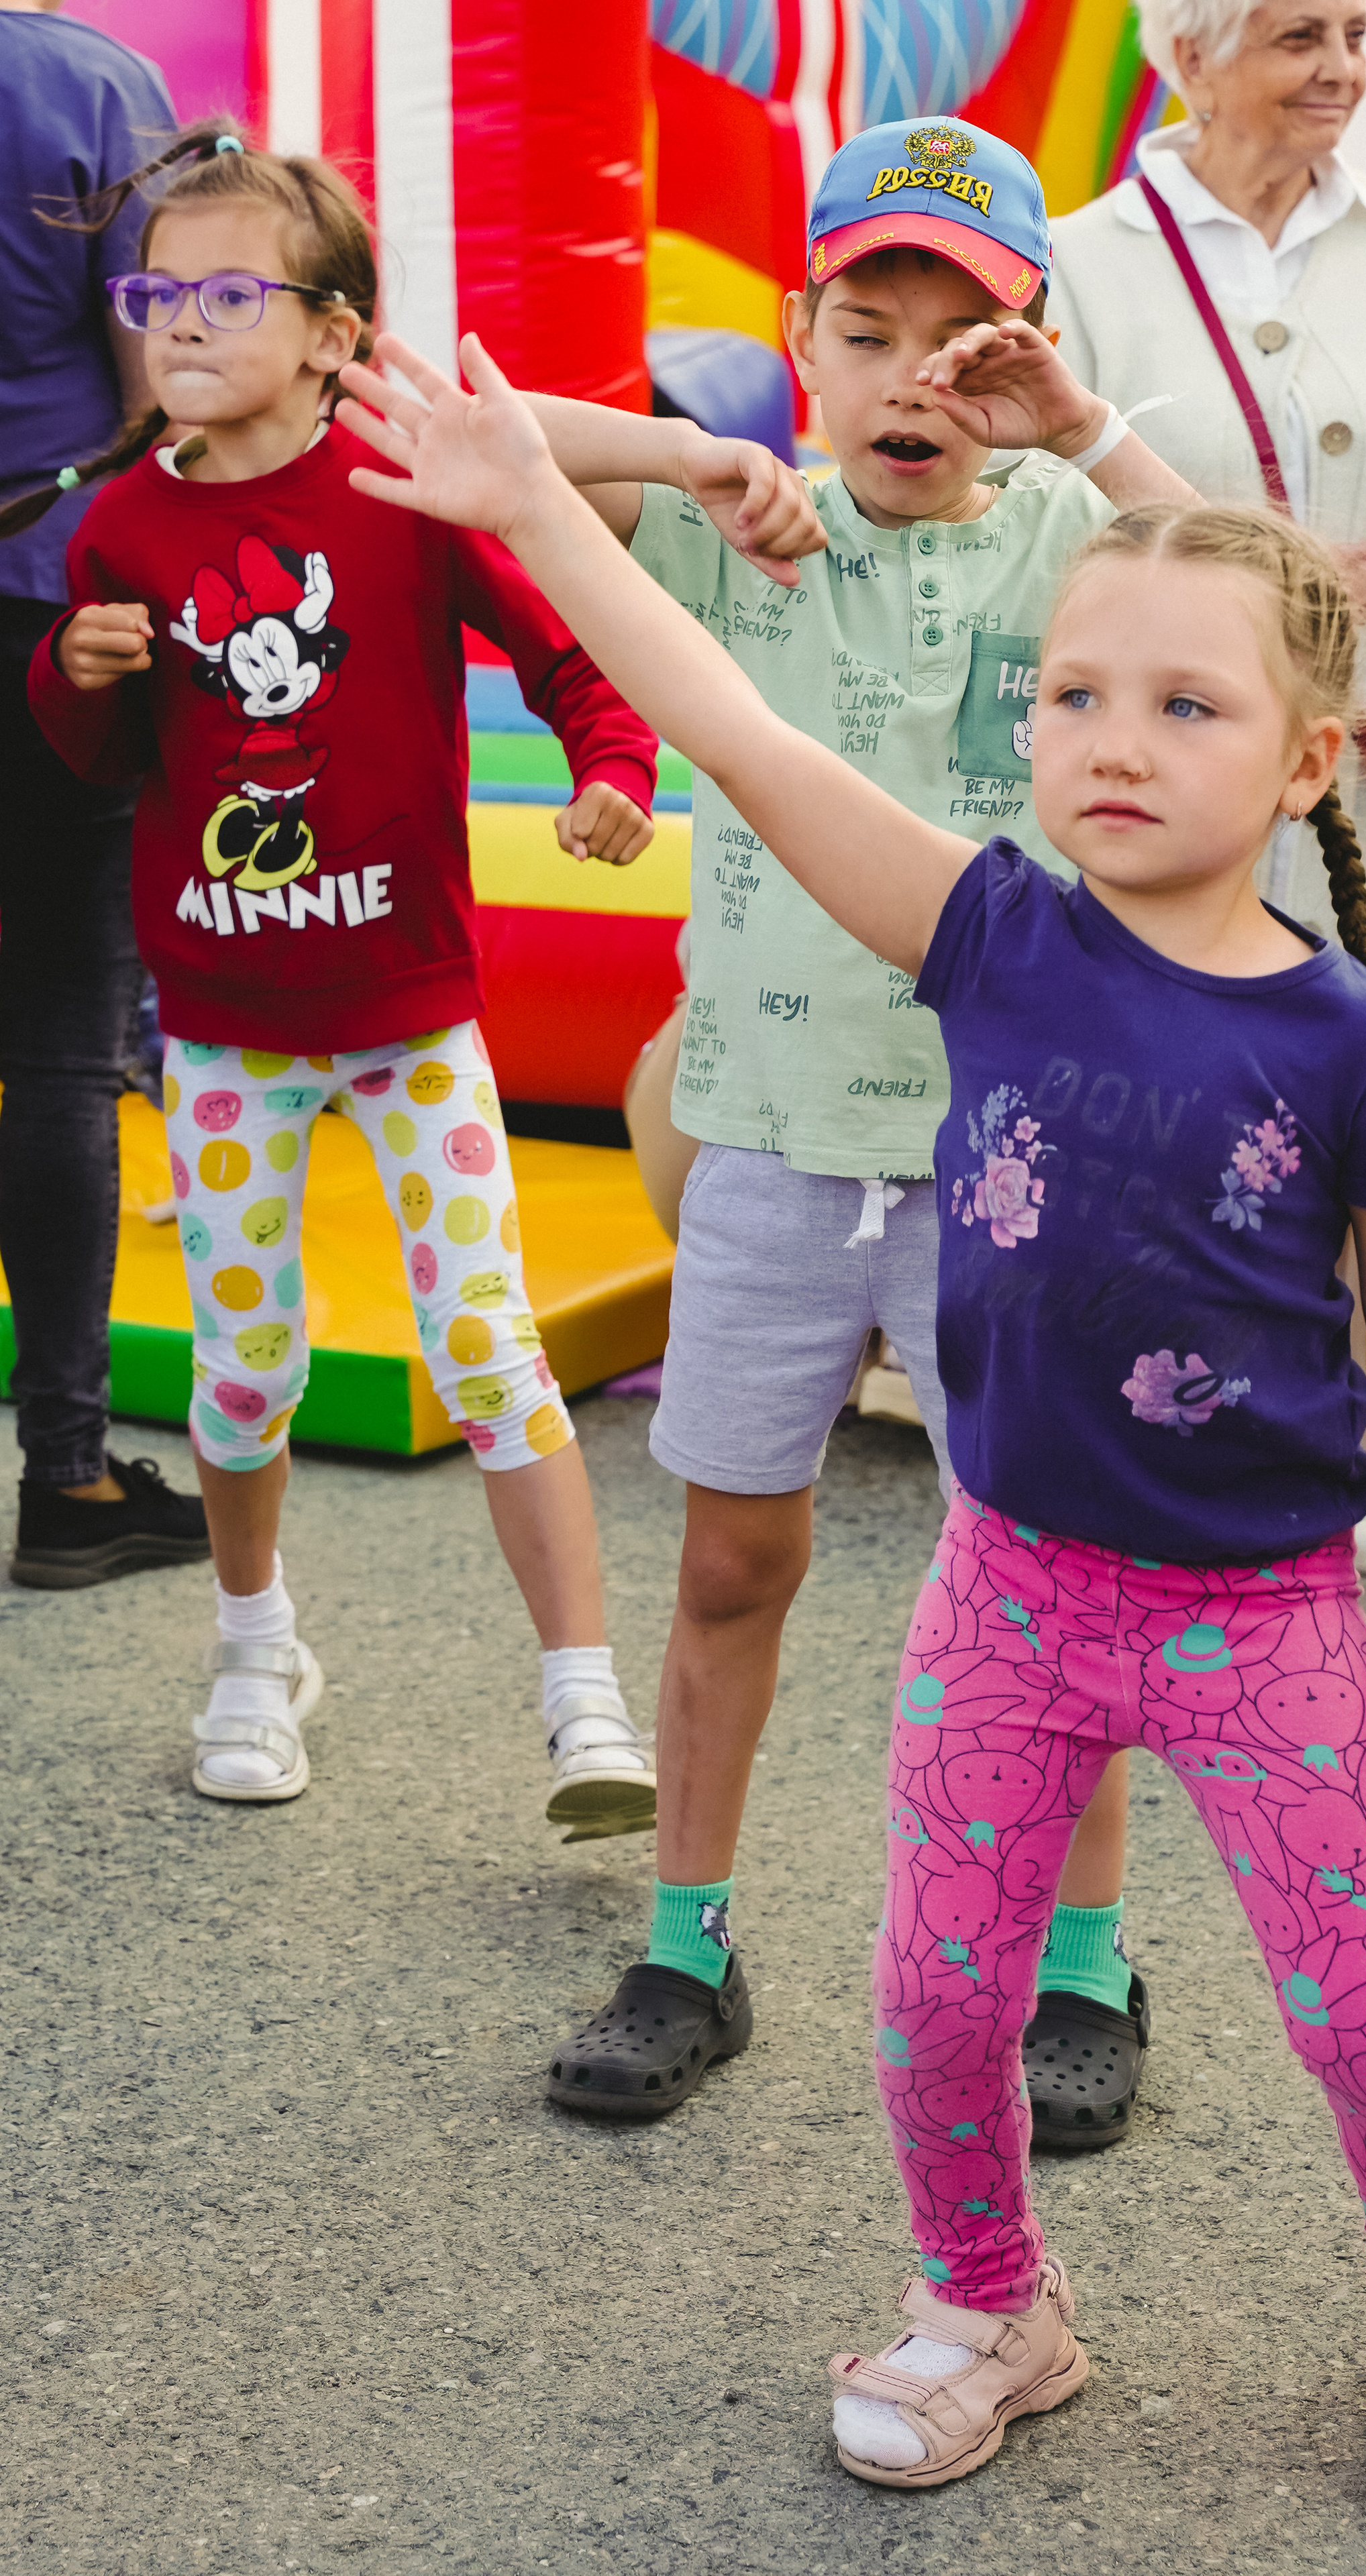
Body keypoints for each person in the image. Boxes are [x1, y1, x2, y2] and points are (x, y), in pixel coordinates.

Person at [333, 334, 1366, 2536]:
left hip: (1259, 1613)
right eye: (1075, 697)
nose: (1109, 742)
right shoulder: (986, 934)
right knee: (933, 1995)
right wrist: (528, 504)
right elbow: (733, 726)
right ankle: (991, 2300)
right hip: (1010, 1588)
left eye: (1185, 708)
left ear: (1302, 765)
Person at [444, 121, 1189, 2135]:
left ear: (1032, 357)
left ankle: (1084, 1962)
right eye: (868, 332)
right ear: (802, 341)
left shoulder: (1082, 543)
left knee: (1052, 1577)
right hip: (772, 1141)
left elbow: (1264, 604)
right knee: (731, 1566)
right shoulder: (732, 528)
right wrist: (693, 452)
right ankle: (687, 1944)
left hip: (1020, 1164)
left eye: (973, 342)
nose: (914, 382)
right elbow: (482, 444)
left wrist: (1094, 428)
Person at [17, 127, 658, 1814]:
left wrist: (610, 770)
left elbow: (569, 646)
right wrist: (74, 676)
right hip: (228, 1033)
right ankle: (255, 1649)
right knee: (244, 1364)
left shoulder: (406, 498)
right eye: (158, 292)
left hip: (410, 1018)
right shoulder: (122, 538)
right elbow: (95, 766)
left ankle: (583, 1700)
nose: (182, 323)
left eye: (232, 291)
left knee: (487, 1343)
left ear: (333, 333)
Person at [1047, 0, 1366, 1587]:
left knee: (1343, 1093)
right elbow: (1061, 516)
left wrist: (1315, 594)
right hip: (1169, 763)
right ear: (1184, 58)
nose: (1337, 67)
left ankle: (1341, 1448)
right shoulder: (1084, 256)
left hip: (1362, 763)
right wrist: (1231, 629)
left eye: (1351, 33)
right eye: (1293, 35)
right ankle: (1146, 1440)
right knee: (1169, 1106)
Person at [0, 0, 210, 1587]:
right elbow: (167, 375)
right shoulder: (85, 82)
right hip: (50, 603)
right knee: (67, 1040)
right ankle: (63, 1480)